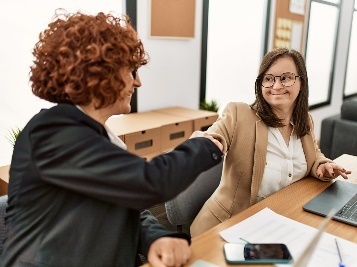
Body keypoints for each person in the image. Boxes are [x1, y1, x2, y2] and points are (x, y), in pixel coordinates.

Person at [0, 10, 223, 267]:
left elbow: (126, 204)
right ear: (99, 73)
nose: (137, 82)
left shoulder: (99, 135)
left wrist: (155, 239)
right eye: (132, 71)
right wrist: (201, 145)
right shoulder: (51, 133)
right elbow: (147, 183)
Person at [190, 48, 351, 237]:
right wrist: (205, 142)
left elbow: (313, 153)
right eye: (268, 78)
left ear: (301, 82)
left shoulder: (305, 120)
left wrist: (322, 165)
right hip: (228, 227)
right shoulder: (239, 114)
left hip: (281, 221)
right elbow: (216, 135)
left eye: (286, 78)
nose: (276, 86)